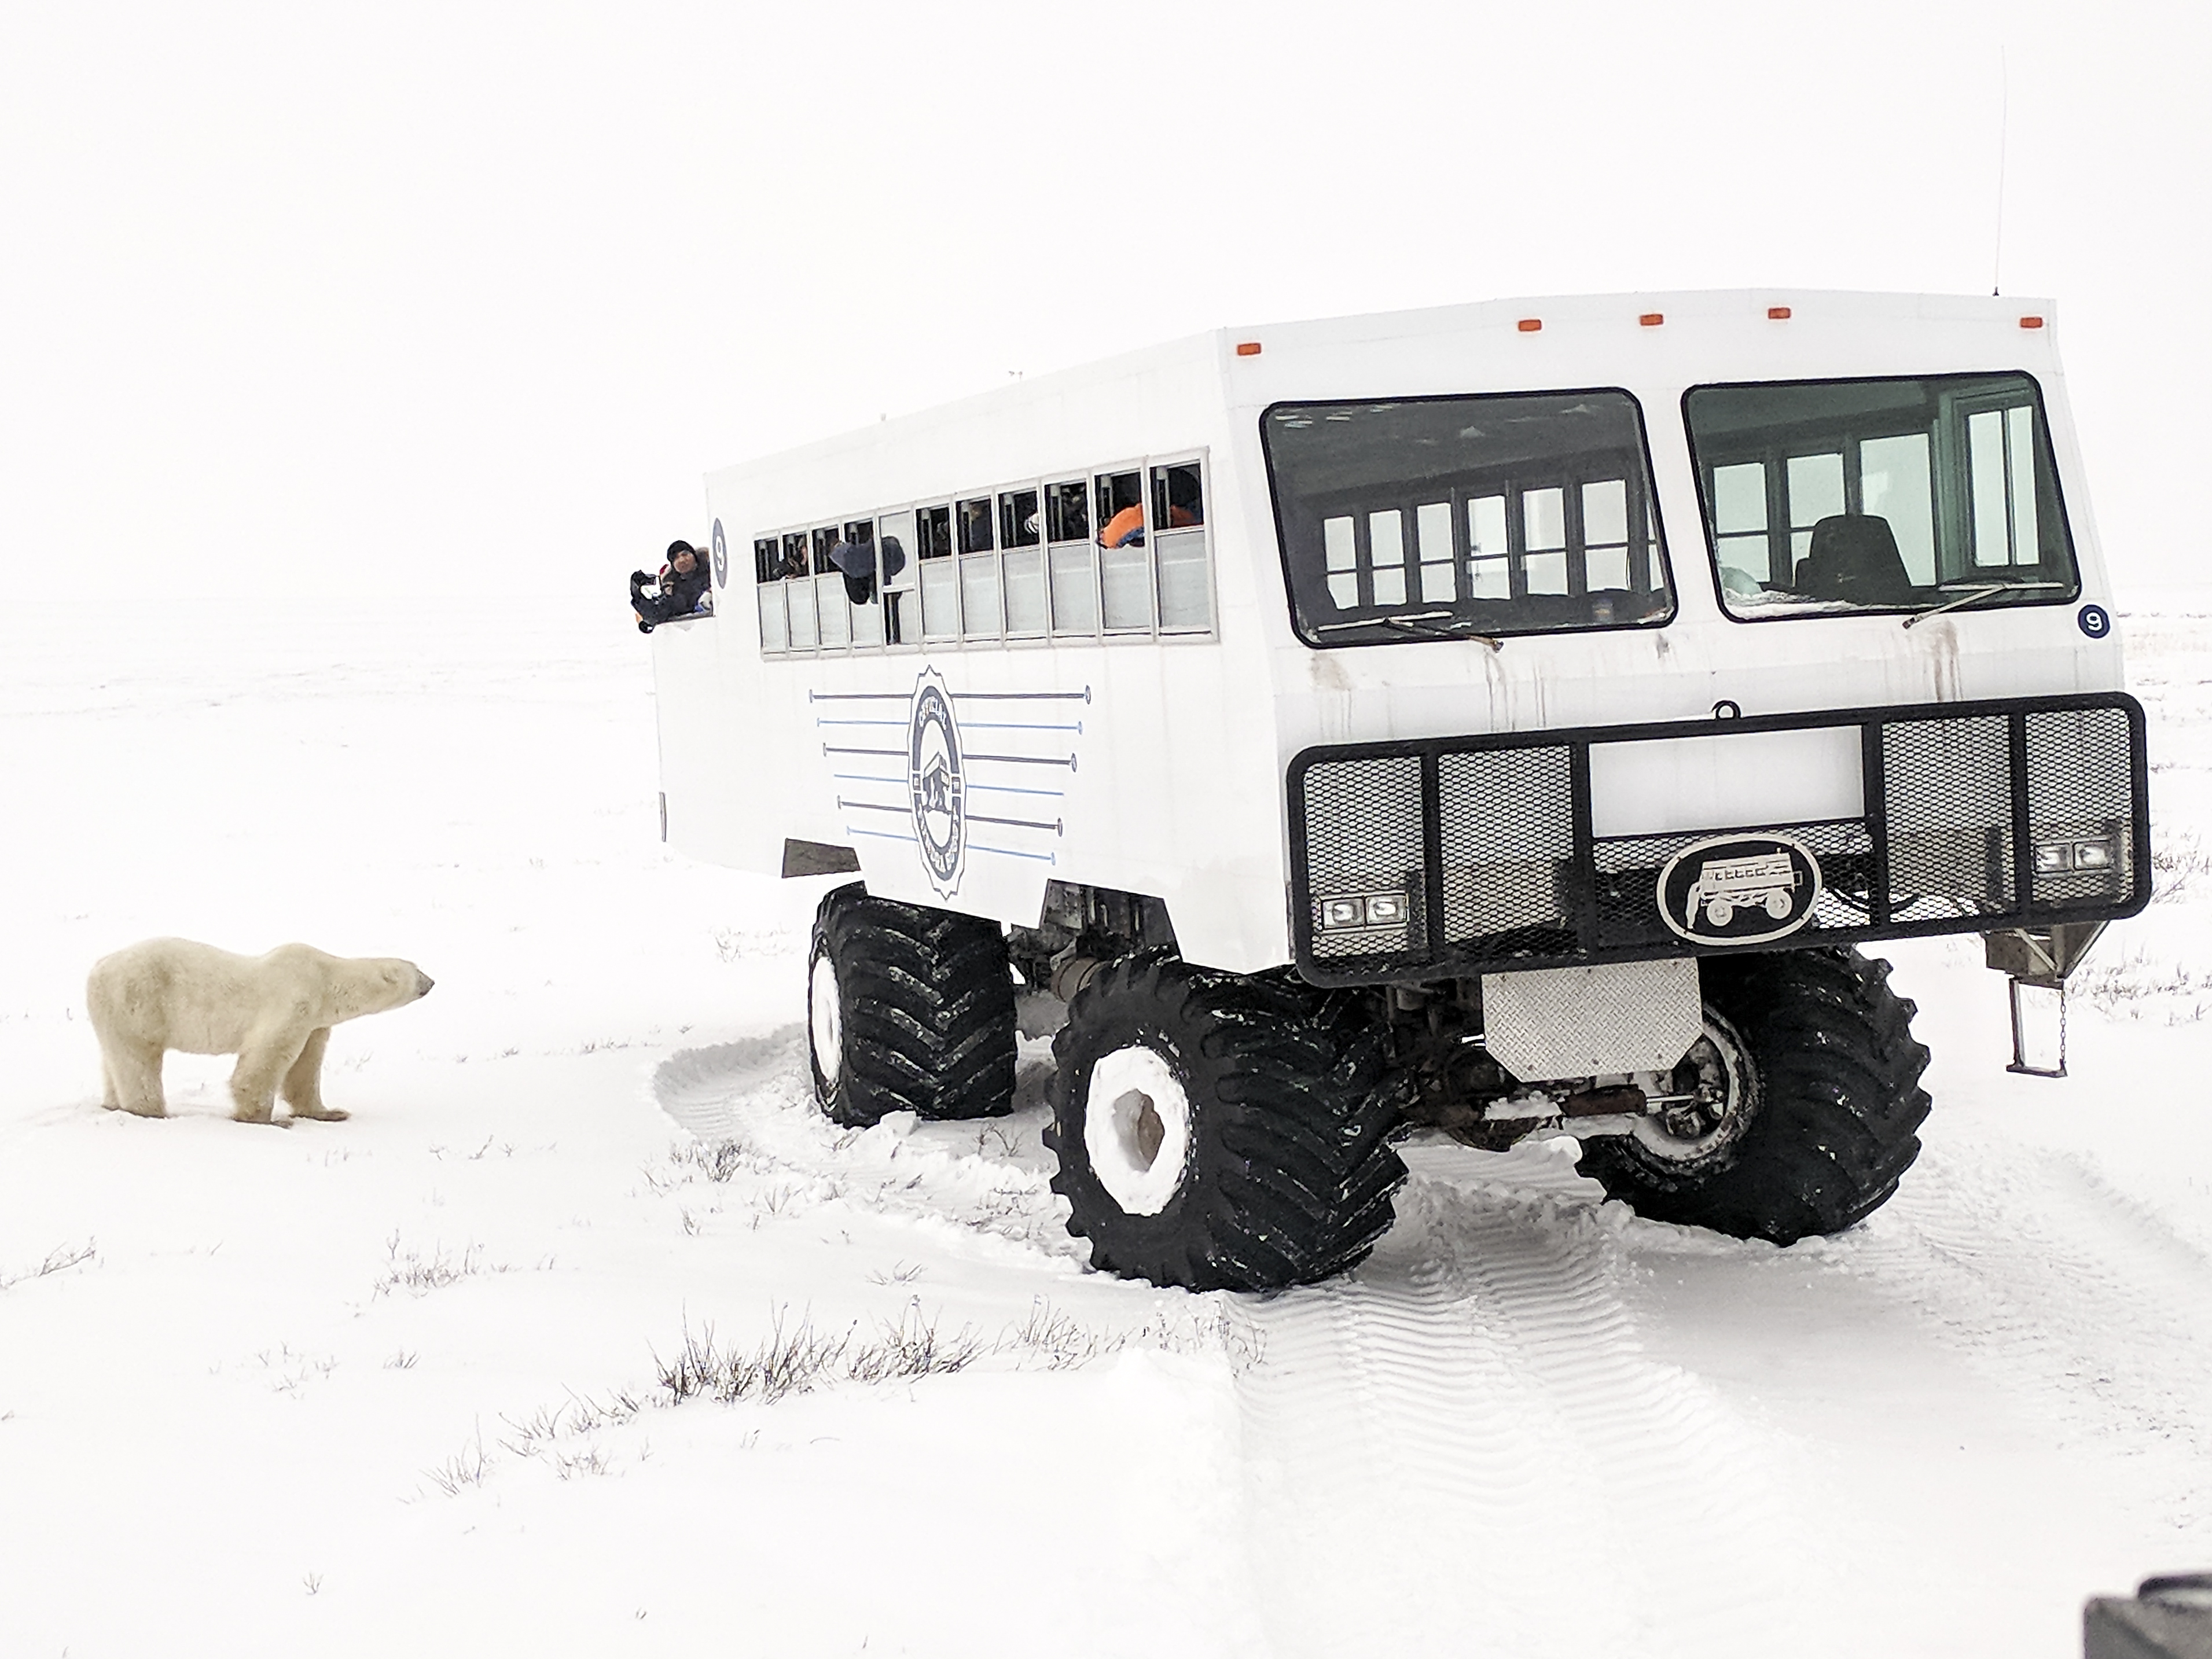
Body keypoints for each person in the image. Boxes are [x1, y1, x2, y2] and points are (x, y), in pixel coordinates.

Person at [631, 540, 714, 633]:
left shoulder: (715, 572)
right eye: (676, 558)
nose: (682, 560)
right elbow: (657, 614)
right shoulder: (677, 591)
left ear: (694, 555)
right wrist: (637, 594)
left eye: (685, 554)